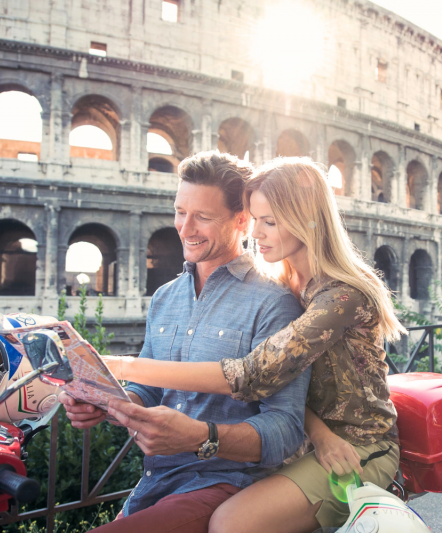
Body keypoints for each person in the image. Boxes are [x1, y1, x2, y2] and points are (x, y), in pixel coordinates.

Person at [103, 157, 407, 532]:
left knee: (232, 523)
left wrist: (120, 365)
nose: (256, 233)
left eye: (270, 222)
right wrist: (318, 432)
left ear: (306, 220)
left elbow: (254, 373)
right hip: (315, 444)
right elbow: (285, 382)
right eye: (256, 219)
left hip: (360, 448)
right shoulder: (292, 284)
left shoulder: (340, 297)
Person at [60, 151, 309, 533]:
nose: (185, 227)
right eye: (180, 211)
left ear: (242, 221)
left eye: (203, 217)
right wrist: (107, 402)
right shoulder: (164, 298)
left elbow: (286, 429)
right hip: (154, 484)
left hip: (226, 485)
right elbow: (146, 390)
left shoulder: (274, 303)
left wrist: (200, 437)